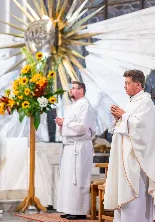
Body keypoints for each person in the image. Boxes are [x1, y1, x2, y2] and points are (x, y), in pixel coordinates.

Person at [104, 70, 155, 222]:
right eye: (125, 83)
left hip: (137, 158)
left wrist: (124, 116)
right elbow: (128, 123)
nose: (125, 87)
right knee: (125, 193)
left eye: (128, 83)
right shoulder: (133, 101)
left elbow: (142, 127)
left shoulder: (146, 102)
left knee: (135, 195)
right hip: (126, 155)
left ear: (138, 85)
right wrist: (119, 118)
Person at [55, 81, 96, 220]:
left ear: (81, 90)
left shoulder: (85, 105)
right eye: (71, 88)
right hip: (70, 147)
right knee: (68, 179)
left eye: (73, 88)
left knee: (78, 179)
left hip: (80, 148)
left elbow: (82, 127)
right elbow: (70, 124)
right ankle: (69, 208)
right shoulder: (72, 106)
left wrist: (64, 123)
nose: (70, 91)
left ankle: (79, 211)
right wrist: (62, 123)